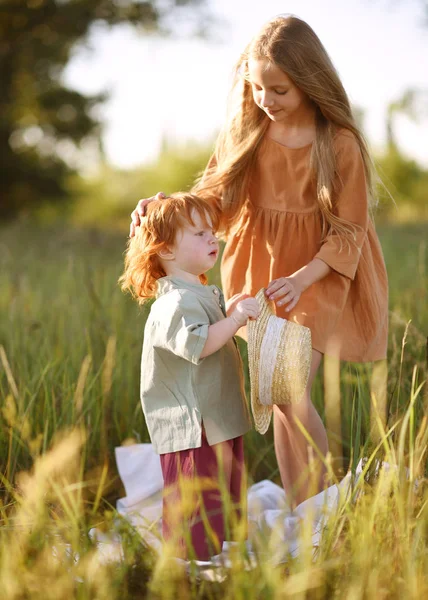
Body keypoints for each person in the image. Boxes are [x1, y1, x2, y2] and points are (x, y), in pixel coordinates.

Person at [129, 16, 388, 506]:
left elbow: (349, 231)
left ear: (311, 83)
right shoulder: (249, 131)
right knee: (276, 398)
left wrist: (303, 276)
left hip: (316, 274)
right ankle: (304, 507)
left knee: (290, 391)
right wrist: (166, 208)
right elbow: (212, 201)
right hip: (261, 272)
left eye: (279, 89)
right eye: (256, 86)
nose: (266, 99)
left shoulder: (339, 143)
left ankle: (322, 509)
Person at [120, 192, 259, 560]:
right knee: (195, 501)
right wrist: (234, 320)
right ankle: (191, 563)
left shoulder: (197, 291)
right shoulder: (173, 302)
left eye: (211, 231)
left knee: (223, 493)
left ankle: (222, 552)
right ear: (166, 250)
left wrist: (228, 311)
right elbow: (199, 344)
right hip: (192, 426)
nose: (212, 238)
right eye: (198, 233)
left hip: (217, 415)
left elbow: (212, 328)